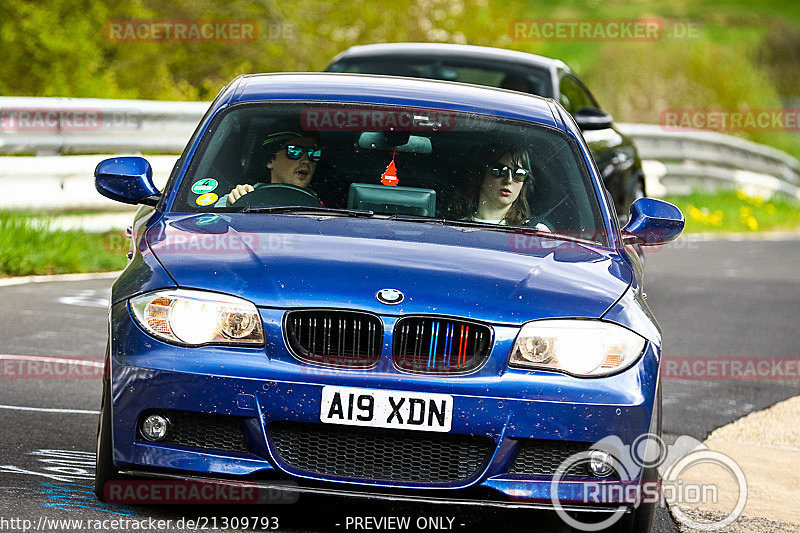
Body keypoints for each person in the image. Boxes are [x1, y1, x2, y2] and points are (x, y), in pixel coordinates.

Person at [219, 130, 323, 207]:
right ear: (270, 160)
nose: (306, 160)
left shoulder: (326, 207)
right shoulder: (243, 194)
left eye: (314, 153)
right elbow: (211, 221)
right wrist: (232, 204)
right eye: (294, 151)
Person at [459, 145, 549, 229]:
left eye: (519, 173)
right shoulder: (455, 227)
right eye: (500, 170)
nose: (509, 180)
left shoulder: (536, 231)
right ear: (481, 175)